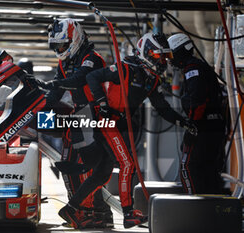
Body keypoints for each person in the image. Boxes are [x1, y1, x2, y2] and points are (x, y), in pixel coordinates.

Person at [84, 32, 197, 228]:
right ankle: (126, 213)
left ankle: (92, 208)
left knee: (106, 170)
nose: (162, 61)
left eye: (165, 57)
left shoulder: (152, 80)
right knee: (126, 165)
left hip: (121, 127)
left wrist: (182, 121)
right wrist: (101, 102)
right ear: (147, 53)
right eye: (158, 56)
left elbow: (163, 108)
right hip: (107, 122)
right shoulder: (126, 68)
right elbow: (92, 76)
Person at [33, 18, 114, 228]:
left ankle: (91, 212)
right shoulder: (65, 62)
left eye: (62, 45)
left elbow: (79, 80)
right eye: (56, 46)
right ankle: (90, 212)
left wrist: (54, 84)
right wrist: (41, 108)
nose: (59, 49)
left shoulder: (92, 58)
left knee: (85, 168)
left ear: (74, 39)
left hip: (96, 117)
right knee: (74, 167)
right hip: (79, 116)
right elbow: (56, 92)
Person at [167, 33, 226, 194]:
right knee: (208, 170)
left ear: (181, 51)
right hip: (213, 126)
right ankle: (212, 211)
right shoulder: (196, 67)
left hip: (204, 126)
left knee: (188, 167)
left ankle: (193, 208)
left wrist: (192, 127)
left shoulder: (193, 69)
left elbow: (197, 100)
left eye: (171, 54)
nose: (170, 59)